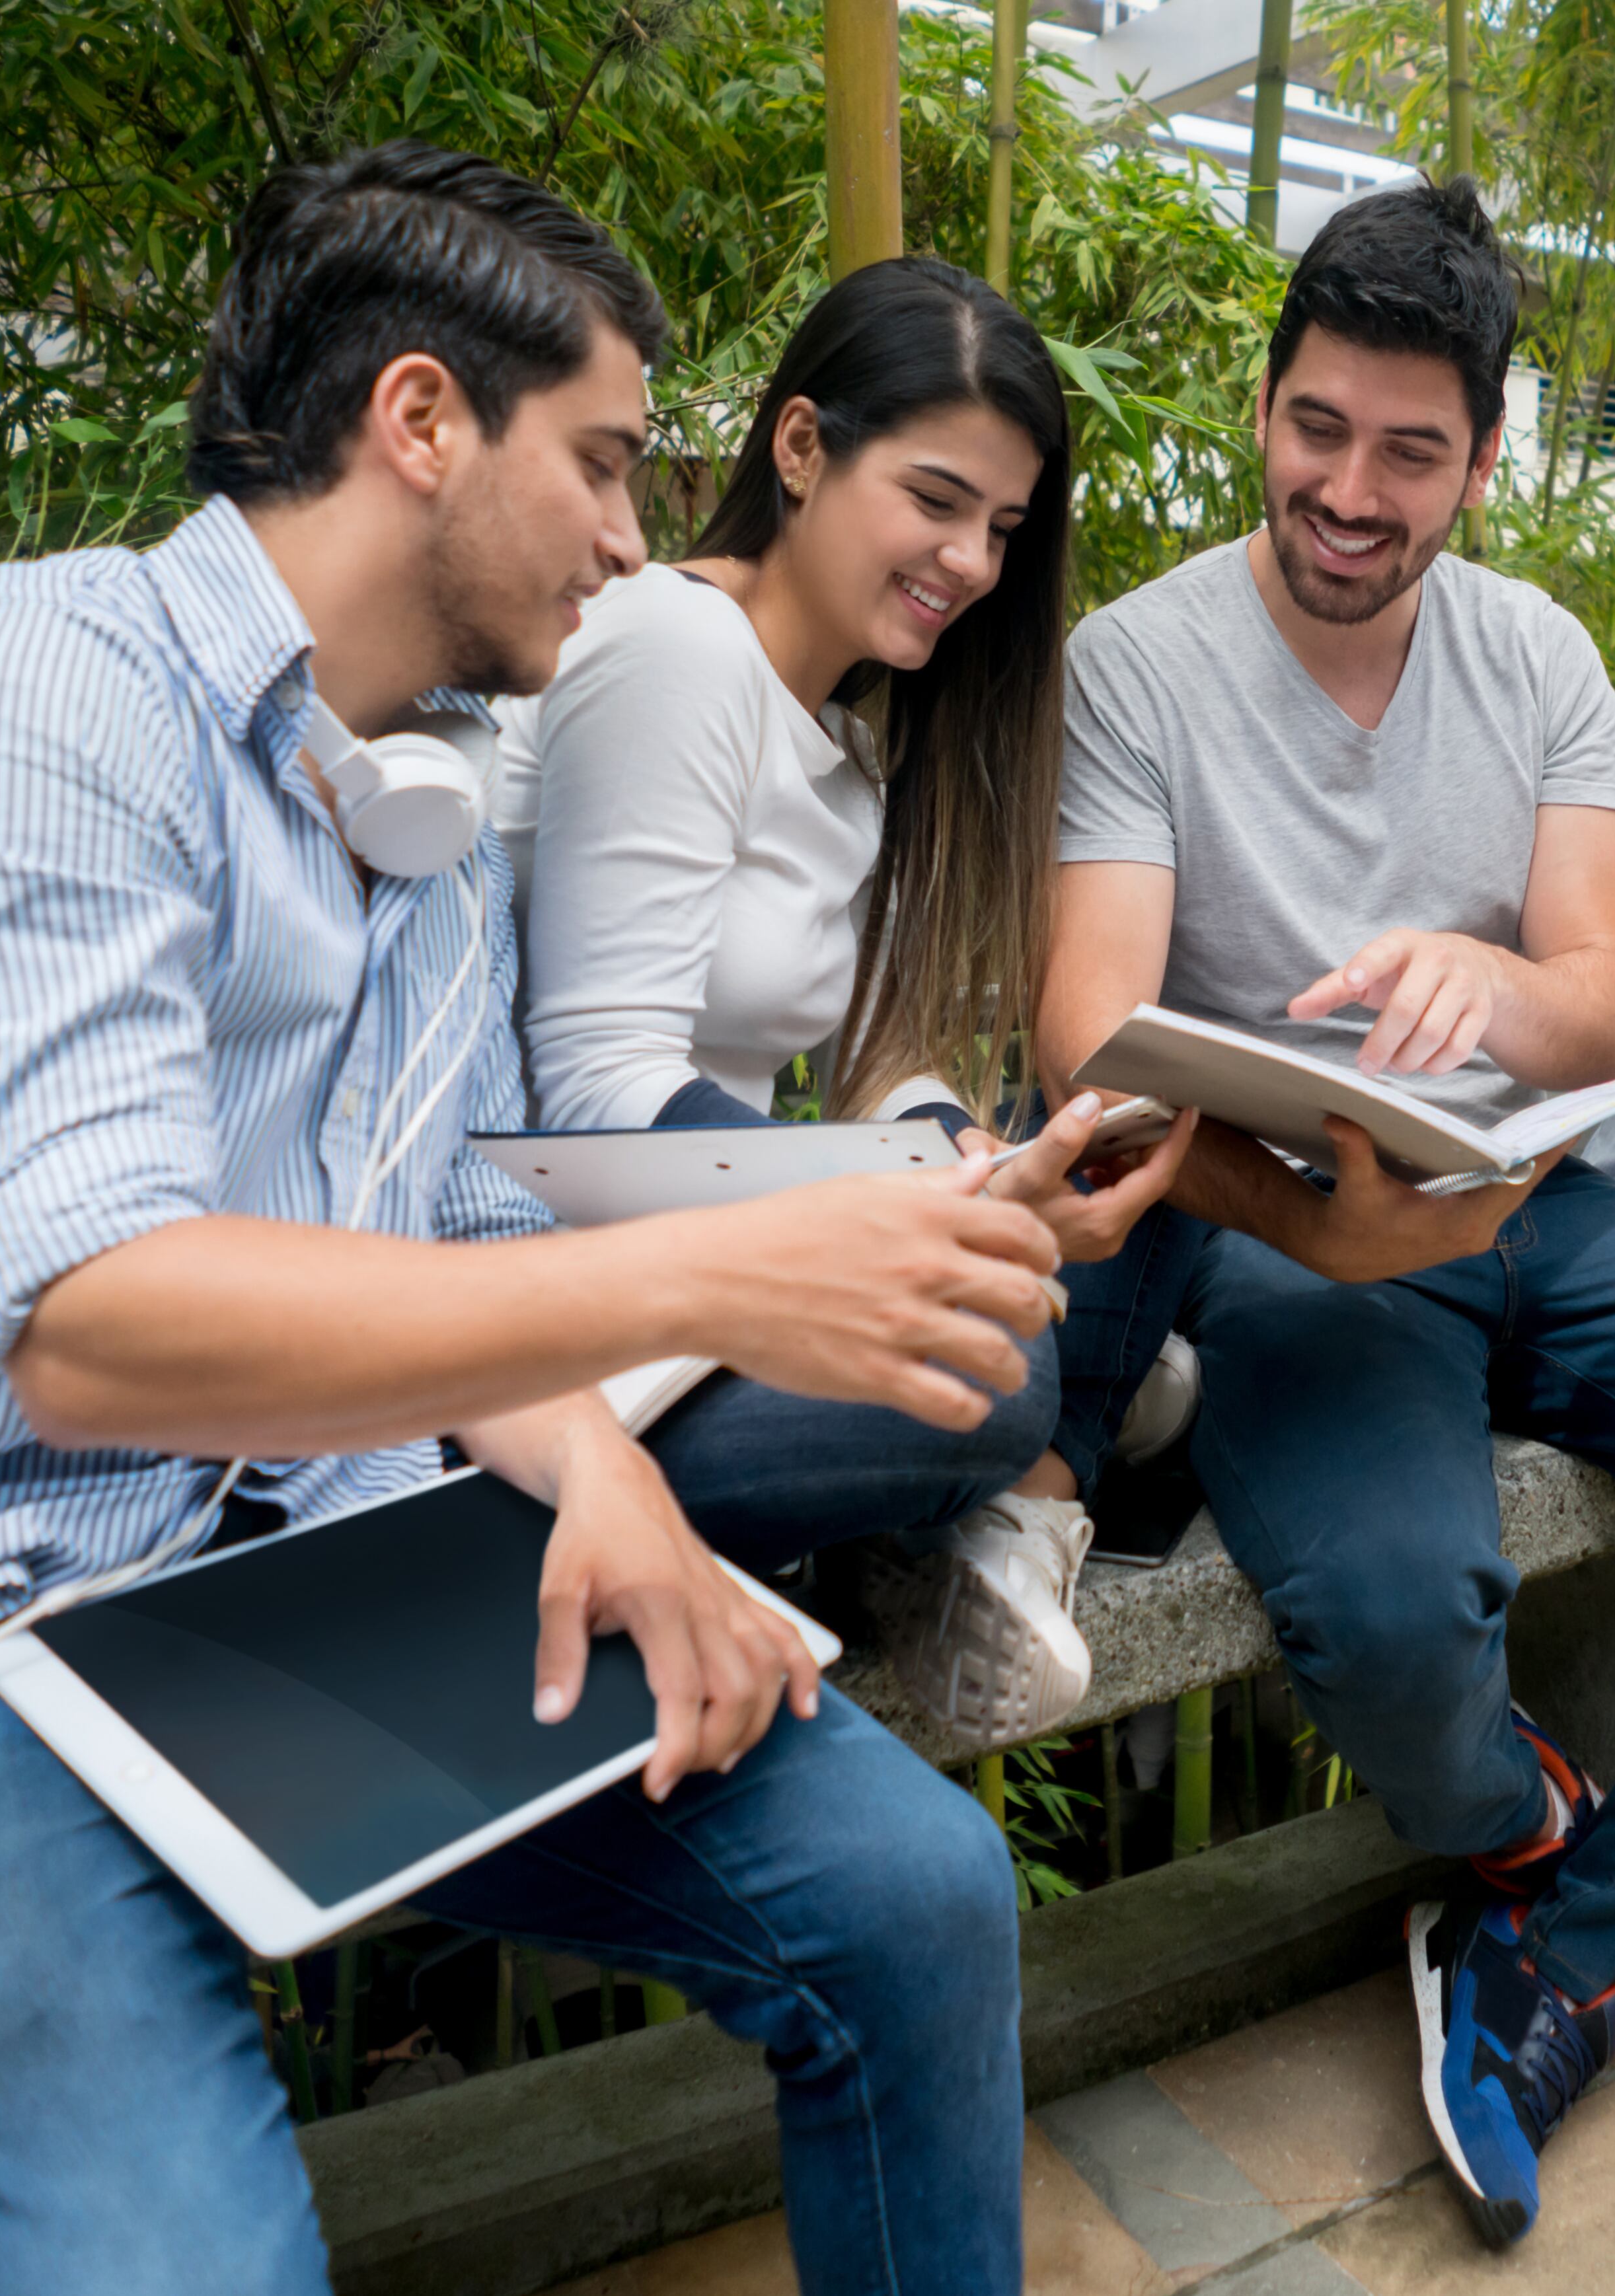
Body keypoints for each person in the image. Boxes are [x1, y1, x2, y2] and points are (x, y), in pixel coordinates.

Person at [0, 145, 1053, 2296]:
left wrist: (610, 1486)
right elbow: (92, 1319)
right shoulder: (28, 701)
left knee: (917, 1897)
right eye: (601, 460)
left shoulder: (427, 803)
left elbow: (459, 1247)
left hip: (317, 1571)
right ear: (417, 422)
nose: (637, 534)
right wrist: (714, 1268)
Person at [1039, 180, 1615, 2250]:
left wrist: (1497, 993)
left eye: (1410, 450)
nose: (1349, 492)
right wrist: (1320, 1223)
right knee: (1384, 1617)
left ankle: (1554, 1967)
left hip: (1543, 1202)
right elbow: (1090, 1036)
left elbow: (1600, 994)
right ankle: (1525, 1827)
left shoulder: (1538, 650)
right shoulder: (1137, 662)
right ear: (1263, 405)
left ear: (1482, 456)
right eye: (1317, 428)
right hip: (1303, 1235)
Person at [494, 256, 1197, 1747]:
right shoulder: (674, 648)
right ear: (800, 448)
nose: (973, 563)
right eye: (936, 501)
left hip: (725, 1270)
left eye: (1003, 528)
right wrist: (913, 1207)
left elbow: (883, 1051)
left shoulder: (855, 733)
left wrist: (959, 1156)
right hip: (561, 1320)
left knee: (1146, 1123)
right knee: (1001, 1367)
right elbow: (594, 1084)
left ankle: (986, 1485)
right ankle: (990, 1494)